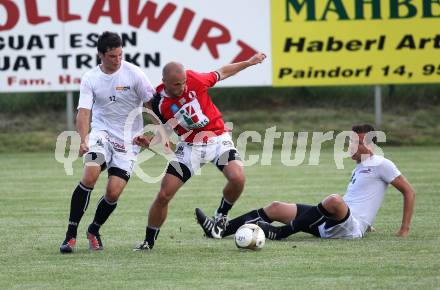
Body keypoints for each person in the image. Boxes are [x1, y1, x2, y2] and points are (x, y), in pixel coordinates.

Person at [133, 52, 267, 250]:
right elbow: (165, 132)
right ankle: (148, 242)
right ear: (165, 83)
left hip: (218, 138)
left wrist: (249, 62)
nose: (182, 87)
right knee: (164, 195)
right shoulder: (159, 103)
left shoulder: (195, 79)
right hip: (189, 147)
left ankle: (221, 216)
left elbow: (223, 72)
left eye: (183, 82)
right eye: (176, 84)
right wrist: (150, 141)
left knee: (238, 178)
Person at [196, 124, 415, 240]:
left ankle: (281, 233)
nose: (349, 145)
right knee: (275, 207)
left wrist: (404, 229)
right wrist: (367, 223)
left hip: (349, 229)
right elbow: (363, 199)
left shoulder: (381, 163)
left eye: (354, 142)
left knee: (334, 200)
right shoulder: (361, 166)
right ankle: (219, 231)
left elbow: (409, 192)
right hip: (337, 223)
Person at [59, 31, 155, 253]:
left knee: (113, 192)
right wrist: (83, 140)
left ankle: (93, 229)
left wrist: (156, 135)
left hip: (129, 140)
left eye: (120, 55)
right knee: (90, 173)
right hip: (101, 133)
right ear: (100, 55)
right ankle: (70, 236)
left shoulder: (135, 74)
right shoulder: (91, 78)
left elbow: (151, 106)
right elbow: (83, 113)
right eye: (112, 56)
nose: (118, 60)